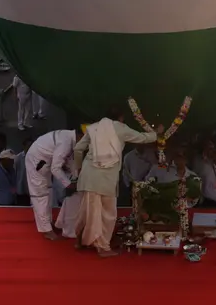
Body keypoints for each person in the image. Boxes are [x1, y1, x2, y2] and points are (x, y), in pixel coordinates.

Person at [72, 108, 157, 257]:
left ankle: (79, 240)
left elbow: (78, 149)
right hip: (106, 178)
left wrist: (79, 168)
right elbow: (143, 138)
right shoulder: (120, 128)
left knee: (87, 211)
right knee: (106, 213)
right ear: (121, 118)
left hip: (88, 175)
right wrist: (157, 133)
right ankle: (102, 247)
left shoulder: (93, 127)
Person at [25, 127, 81, 240]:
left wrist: (76, 176)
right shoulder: (66, 142)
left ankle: (48, 223)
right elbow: (56, 168)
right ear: (80, 135)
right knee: (40, 195)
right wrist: (68, 184)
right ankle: (46, 230)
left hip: (44, 161)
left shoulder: (70, 139)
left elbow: (68, 161)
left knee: (49, 191)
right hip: (36, 161)